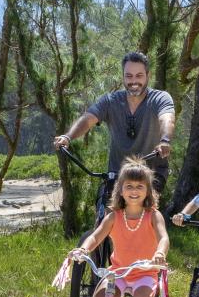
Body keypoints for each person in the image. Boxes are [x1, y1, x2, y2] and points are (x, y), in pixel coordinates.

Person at [70, 157, 168, 297]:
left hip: (144, 273)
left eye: (140, 186)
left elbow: (163, 237)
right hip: (119, 273)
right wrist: (84, 248)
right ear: (120, 190)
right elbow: (96, 236)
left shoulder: (153, 215)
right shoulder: (114, 216)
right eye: (129, 186)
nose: (134, 190)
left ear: (148, 191)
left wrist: (160, 252)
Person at [53, 51, 175, 195]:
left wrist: (165, 140)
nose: (134, 81)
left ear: (148, 76)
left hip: (151, 173)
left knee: (145, 208)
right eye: (129, 76)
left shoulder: (160, 98)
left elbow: (167, 118)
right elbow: (88, 118)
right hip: (117, 173)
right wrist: (68, 137)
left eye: (139, 76)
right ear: (123, 77)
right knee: (105, 210)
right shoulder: (110, 101)